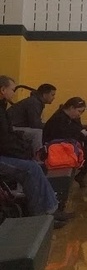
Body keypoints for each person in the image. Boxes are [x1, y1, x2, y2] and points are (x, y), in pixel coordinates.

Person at [0, 76, 71, 226]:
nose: (14, 93)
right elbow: (4, 140)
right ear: (3, 90)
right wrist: (22, 153)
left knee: (35, 166)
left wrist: (22, 151)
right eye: (13, 90)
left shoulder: (3, 108)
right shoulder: (28, 104)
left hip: (5, 151)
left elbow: (8, 136)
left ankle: (51, 210)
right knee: (31, 168)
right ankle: (40, 216)